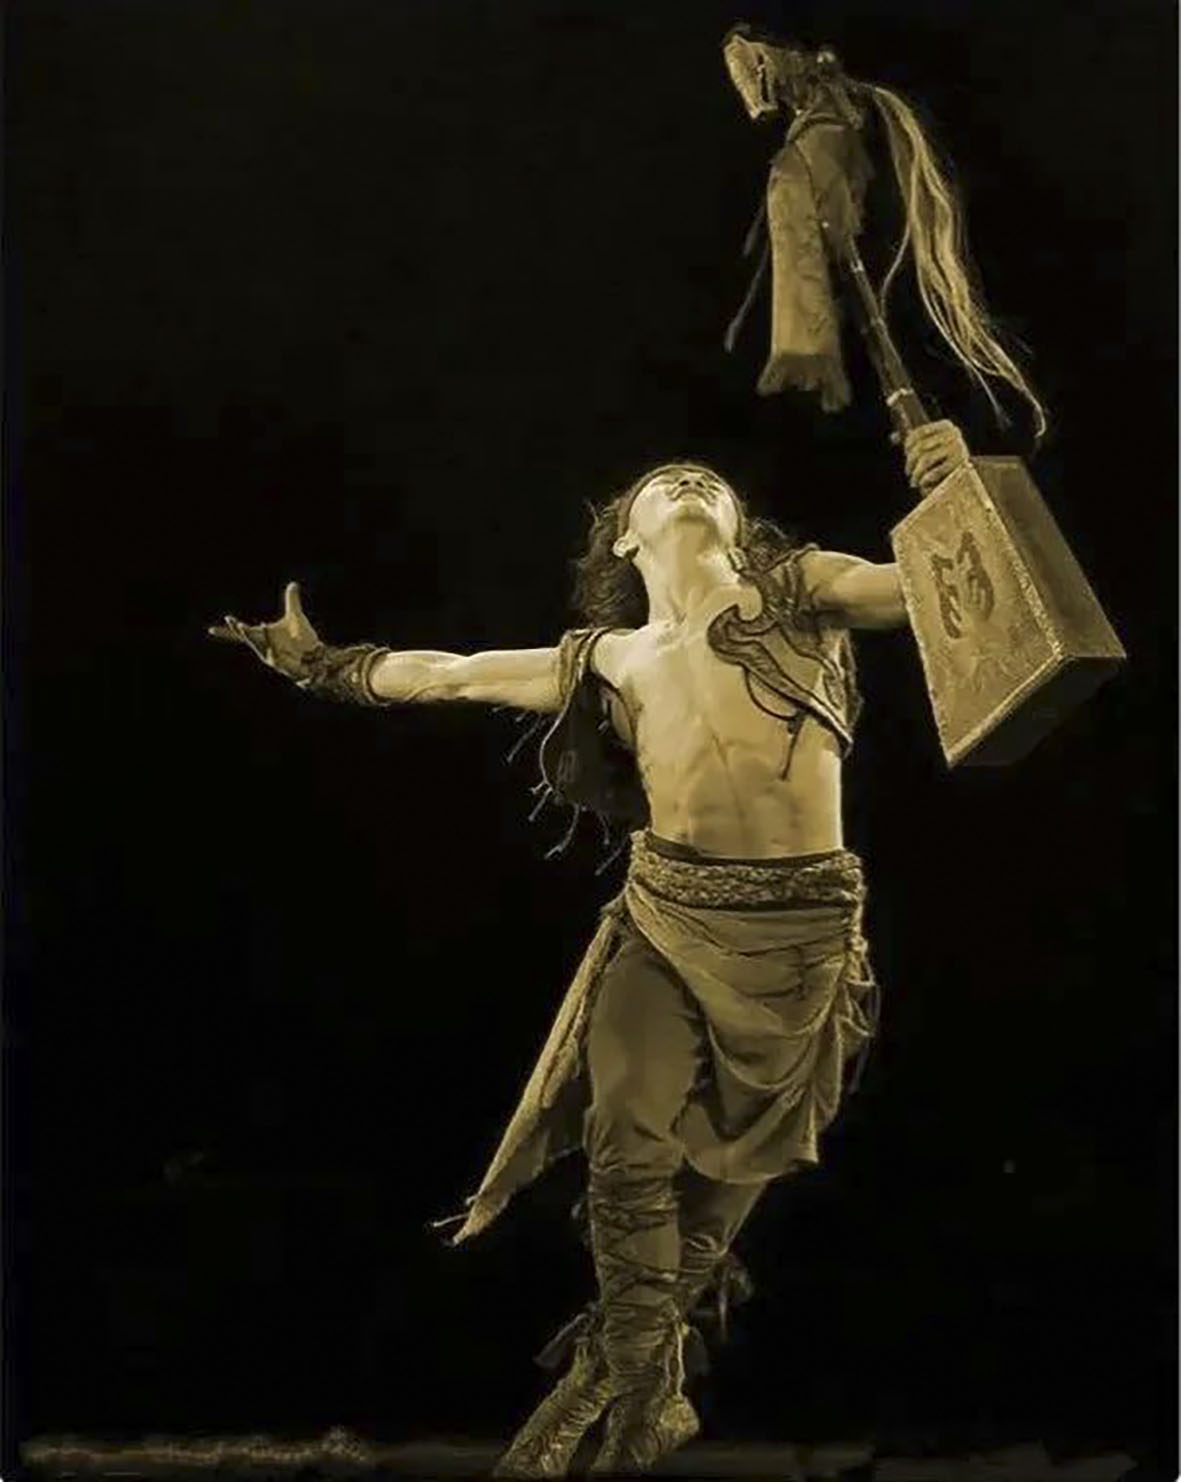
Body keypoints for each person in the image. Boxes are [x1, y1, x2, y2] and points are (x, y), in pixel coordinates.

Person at [210, 418, 970, 1476]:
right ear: (624, 538)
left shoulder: (802, 591)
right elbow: (450, 674)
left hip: (799, 940)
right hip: (664, 918)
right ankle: (646, 1392)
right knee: (624, 1148)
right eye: (664, 481)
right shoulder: (610, 657)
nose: (688, 480)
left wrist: (954, 491)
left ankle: (596, 1389)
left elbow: (937, 587)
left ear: (739, 526)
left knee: (702, 1218)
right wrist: (323, 667)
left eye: (707, 479)